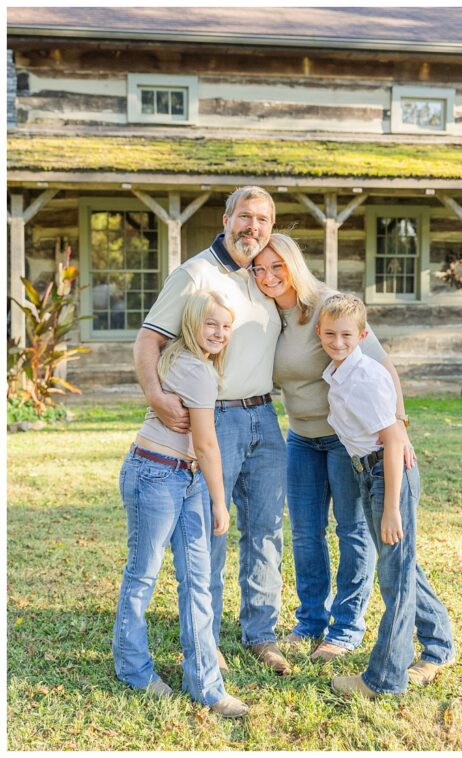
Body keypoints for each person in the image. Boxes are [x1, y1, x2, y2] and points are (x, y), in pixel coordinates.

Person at [134, 186, 292, 675]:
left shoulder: (263, 277)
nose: (253, 227)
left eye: (263, 220)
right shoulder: (195, 273)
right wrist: (157, 397)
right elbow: (148, 340)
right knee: (210, 532)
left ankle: (260, 633)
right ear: (226, 219)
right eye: (245, 216)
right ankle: (206, 638)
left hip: (265, 417)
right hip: (216, 416)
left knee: (266, 529)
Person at [250, 234, 413, 661]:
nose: (267, 276)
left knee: (352, 530)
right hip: (301, 437)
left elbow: (382, 364)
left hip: (345, 441)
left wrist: (401, 426)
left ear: (294, 264)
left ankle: (345, 628)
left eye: (277, 266)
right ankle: (310, 622)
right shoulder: (264, 313)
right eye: (259, 268)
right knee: (305, 533)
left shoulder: (328, 304)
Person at [113, 290, 248, 718]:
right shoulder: (193, 368)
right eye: (212, 324)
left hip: (182, 478)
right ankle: (133, 670)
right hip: (154, 474)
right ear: (191, 323)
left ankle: (205, 683)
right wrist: (221, 502)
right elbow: (207, 445)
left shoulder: (195, 363)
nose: (220, 334)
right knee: (143, 574)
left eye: (226, 327)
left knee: (198, 580)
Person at [315, 294, 456, 697]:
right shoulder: (338, 373)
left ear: (362, 335)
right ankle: (441, 646)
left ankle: (383, 679)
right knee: (404, 566)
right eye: (329, 333)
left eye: (346, 335)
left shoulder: (366, 376)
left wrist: (391, 507)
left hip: (388, 476)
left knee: (394, 577)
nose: (337, 341)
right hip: (368, 473)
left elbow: (394, 442)